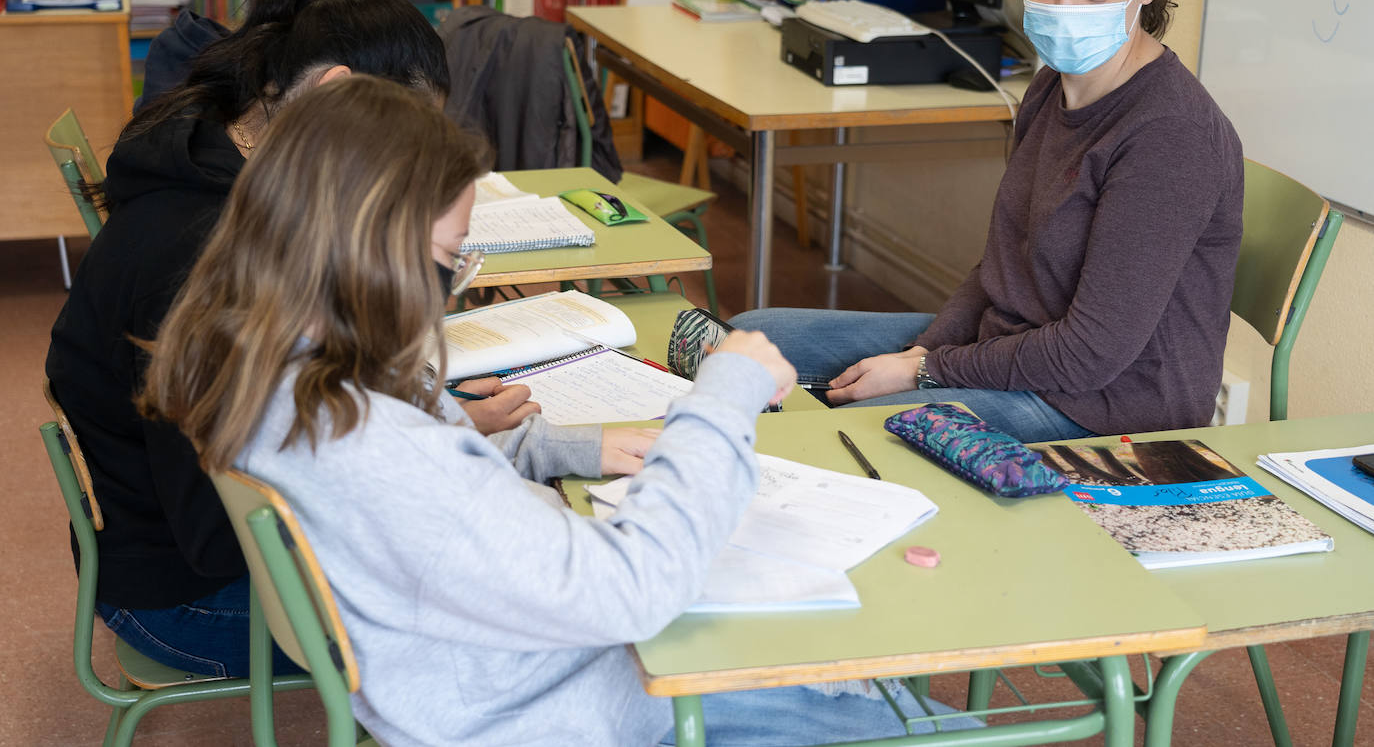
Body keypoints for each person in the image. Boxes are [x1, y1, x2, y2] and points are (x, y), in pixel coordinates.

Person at [138, 76, 976, 747]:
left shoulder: (270, 369)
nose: (445, 286)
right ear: (370, 247)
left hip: (484, 686)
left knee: (848, 667)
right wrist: (720, 395)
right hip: (575, 706)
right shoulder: (372, 439)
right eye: (444, 260)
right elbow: (633, 592)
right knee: (925, 715)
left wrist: (569, 447)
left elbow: (419, 495)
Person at [45, 0, 534, 679]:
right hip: (187, 596)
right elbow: (221, 533)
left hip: (180, 544)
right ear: (336, 95)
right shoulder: (198, 258)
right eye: (399, 143)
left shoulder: (222, 150)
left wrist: (418, 418)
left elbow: (285, 394)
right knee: (495, 605)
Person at [733, 0, 1244, 444]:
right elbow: (1001, 267)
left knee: (867, 432)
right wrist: (926, 349)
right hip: (1011, 350)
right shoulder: (1053, 83)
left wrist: (923, 371)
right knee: (749, 339)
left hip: (1109, 405)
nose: (1066, 10)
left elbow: (1091, 354)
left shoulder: (1170, 135)